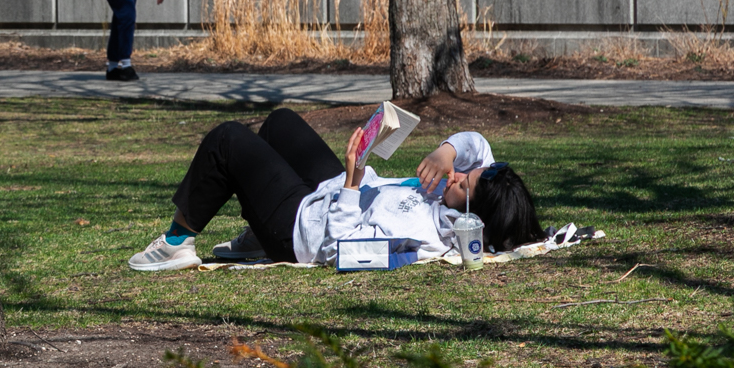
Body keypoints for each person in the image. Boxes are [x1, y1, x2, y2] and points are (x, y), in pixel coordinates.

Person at [128, 108, 545, 271]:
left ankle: (176, 243)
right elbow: (480, 147)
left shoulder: (418, 239)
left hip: (301, 230)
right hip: (330, 192)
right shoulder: (452, 198)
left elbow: (340, 251)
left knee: (228, 139)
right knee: (280, 123)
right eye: (462, 173)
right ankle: (253, 234)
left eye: (463, 183)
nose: (455, 176)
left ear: (473, 219)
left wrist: (351, 182)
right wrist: (447, 150)